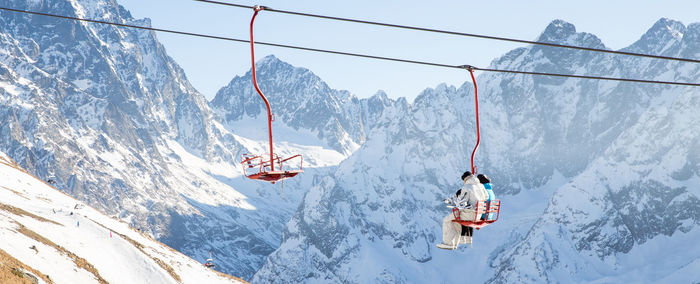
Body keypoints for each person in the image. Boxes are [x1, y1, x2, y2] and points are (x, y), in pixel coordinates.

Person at [436, 171, 489, 250]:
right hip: (479, 214)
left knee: (446, 220)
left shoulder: (467, 187)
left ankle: (448, 243)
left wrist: (453, 202)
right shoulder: (481, 186)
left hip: (470, 214)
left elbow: (461, 202)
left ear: (466, 179)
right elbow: (486, 197)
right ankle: (453, 244)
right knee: (456, 223)